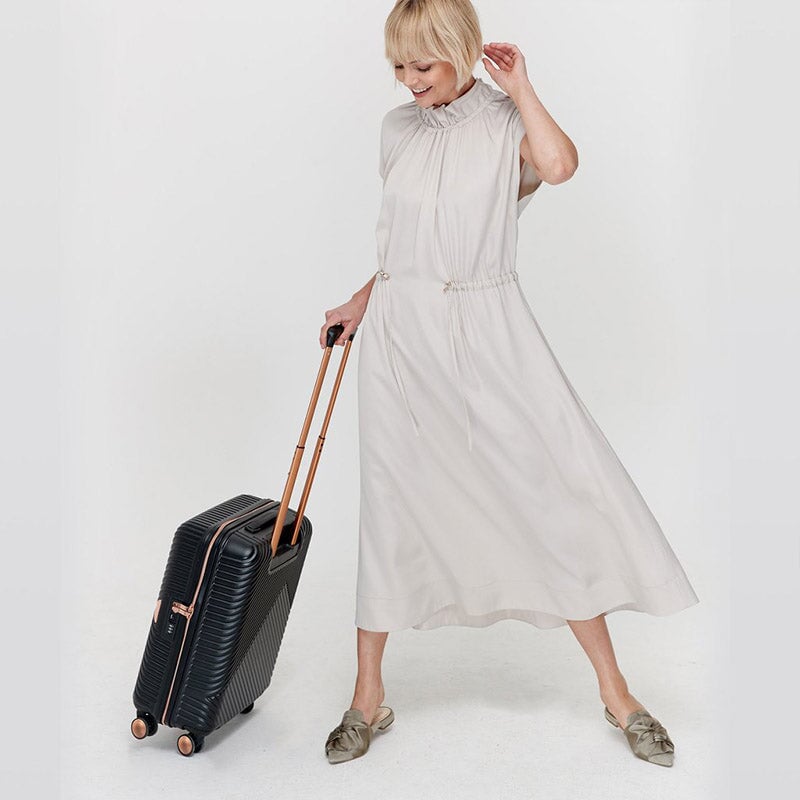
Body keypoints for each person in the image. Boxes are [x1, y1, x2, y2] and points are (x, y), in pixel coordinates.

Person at [319, 0, 698, 768]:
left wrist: (521, 88)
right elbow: (407, 242)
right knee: (391, 509)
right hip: (398, 342)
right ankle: (368, 698)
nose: (407, 81)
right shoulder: (397, 132)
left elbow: (558, 167)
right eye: (398, 66)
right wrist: (363, 301)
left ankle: (616, 693)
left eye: (422, 65)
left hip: (486, 333)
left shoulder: (503, 128)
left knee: (548, 497)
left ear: (460, 51)